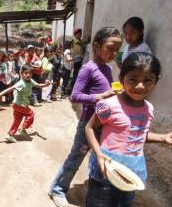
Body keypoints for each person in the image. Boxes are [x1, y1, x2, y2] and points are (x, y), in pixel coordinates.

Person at [85, 52, 172, 207]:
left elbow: (137, 134)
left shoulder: (148, 108)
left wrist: (163, 138)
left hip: (131, 172)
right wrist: (99, 155)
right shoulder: (109, 105)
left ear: (156, 81)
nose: (140, 86)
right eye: (133, 79)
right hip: (106, 168)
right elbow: (89, 128)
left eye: (148, 80)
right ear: (122, 79)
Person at [49, 27, 122, 207]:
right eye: (111, 47)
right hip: (88, 124)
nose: (114, 53)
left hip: (103, 123)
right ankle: (57, 189)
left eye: (117, 49)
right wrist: (98, 97)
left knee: (99, 159)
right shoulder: (88, 69)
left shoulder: (107, 69)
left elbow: (107, 92)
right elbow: (74, 96)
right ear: (96, 46)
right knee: (76, 158)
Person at [0, 64, 50, 143]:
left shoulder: (30, 81)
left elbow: (38, 85)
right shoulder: (21, 83)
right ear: (21, 73)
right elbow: (10, 89)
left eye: (30, 73)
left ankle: (10, 135)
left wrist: (46, 84)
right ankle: (23, 128)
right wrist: (0, 94)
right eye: (26, 73)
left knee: (17, 120)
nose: (28, 75)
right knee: (31, 114)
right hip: (19, 105)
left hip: (18, 105)